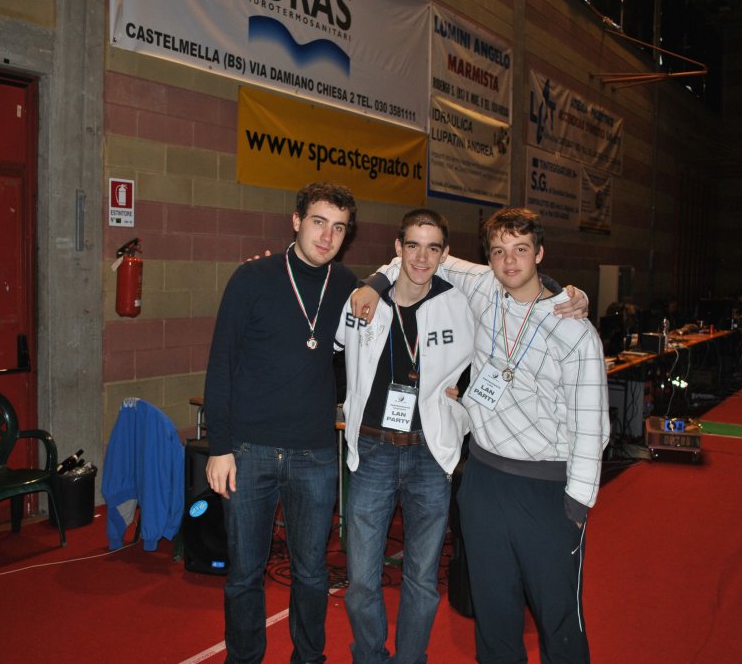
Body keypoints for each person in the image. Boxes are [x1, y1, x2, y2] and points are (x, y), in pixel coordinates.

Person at [353, 207, 604, 663]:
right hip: (484, 481)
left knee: (558, 617)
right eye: (499, 251)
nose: (509, 261)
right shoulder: (484, 286)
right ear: (488, 257)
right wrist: (373, 283)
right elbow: (418, 258)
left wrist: (577, 505)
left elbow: (593, 426)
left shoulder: (575, 330)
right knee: (493, 612)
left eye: (521, 250)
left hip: (547, 489)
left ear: (539, 254)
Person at [203, 182, 360, 664]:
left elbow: (410, 276)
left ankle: (309, 658)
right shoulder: (252, 278)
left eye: (339, 228)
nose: (327, 236)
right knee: (244, 574)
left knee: (311, 574)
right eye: (319, 222)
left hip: (314, 453)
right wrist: (219, 447)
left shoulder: (349, 286)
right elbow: (221, 363)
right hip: (248, 451)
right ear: (296, 221)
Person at [335, 210, 474, 664]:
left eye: (433, 248)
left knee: (421, 578)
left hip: (430, 455)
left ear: (444, 254)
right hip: (373, 450)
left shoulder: (459, 303)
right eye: (413, 245)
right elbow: (320, 338)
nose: (422, 257)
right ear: (397, 248)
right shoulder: (364, 301)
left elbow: (513, 290)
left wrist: (468, 395)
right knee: (361, 580)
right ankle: (370, 655)